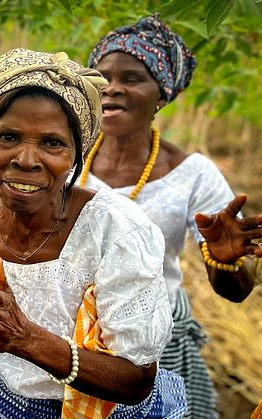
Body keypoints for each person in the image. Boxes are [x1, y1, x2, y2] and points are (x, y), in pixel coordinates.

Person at [0, 48, 189, 417]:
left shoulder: (116, 231)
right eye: (8, 137)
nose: (27, 160)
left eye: (52, 143)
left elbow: (136, 381)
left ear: (77, 155)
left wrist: (28, 339)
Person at [84, 15, 262, 418]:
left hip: (154, 342)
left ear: (162, 94)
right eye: (102, 77)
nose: (112, 88)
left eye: (131, 78)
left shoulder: (193, 174)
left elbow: (236, 290)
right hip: (70, 340)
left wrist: (226, 260)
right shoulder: (65, 156)